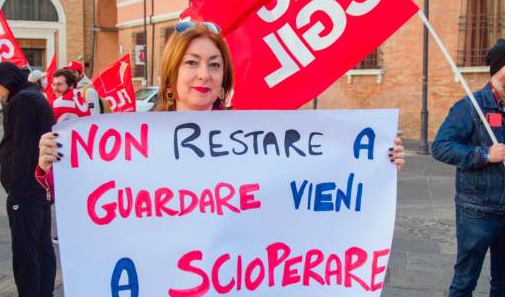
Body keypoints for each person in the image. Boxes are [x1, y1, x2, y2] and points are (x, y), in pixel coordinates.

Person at [37, 20, 405, 188]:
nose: (204, 75)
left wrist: (374, 158)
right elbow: (91, 191)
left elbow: (303, 177)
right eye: (192, 63)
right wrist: (53, 163)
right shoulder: (135, 139)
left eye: (215, 65)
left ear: (224, 79)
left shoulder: (250, 135)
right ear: (171, 75)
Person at [432, 39, 505, 297]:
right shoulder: (470, 107)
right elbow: (441, 147)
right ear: (496, 69)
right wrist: (484, 154)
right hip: (477, 213)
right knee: (464, 281)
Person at [0, 62, 56, 297]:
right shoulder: (32, 96)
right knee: (41, 246)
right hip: (37, 188)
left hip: (25, 191)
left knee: (26, 253)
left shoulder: (22, 102)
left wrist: (15, 192)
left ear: (5, 79)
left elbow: (23, 150)